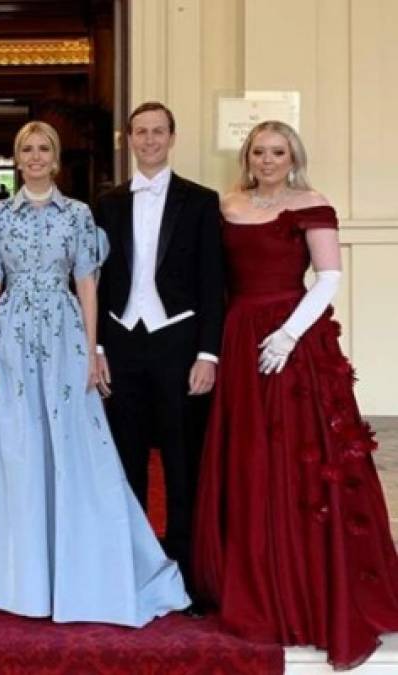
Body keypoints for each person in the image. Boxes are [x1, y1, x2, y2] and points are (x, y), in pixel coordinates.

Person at [0, 121, 189, 625]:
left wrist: (93, 349)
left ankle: (77, 571)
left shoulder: (78, 214)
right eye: (25, 149)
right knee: (14, 446)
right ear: (16, 157)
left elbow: (87, 284)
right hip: (9, 337)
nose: (34, 156)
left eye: (43, 149)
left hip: (63, 335)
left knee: (72, 444)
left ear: (55, 158)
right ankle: (14, 575)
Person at [193, 120, 398, 668]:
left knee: (298, 463)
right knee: (249, 459)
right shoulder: (228, 205)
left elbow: (328, 276)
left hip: (293, 340)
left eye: (277, 151)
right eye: (258, 151)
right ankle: (254, 582)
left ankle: (309, 586)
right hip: (238, 336)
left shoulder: (312, 202)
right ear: (248, 156)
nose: (267, 159)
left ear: (293, 156)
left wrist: (288, 334)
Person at [94, 102, 224, 607]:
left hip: (179, 345)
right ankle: (133, 569)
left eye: (158, 132)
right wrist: (98, 348)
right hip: (122, 343)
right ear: (128, 139)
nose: (149, 140)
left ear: (172, 137)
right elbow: (95, 281)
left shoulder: (200, 201)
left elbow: (214, 285)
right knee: (125, 465)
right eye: (140, 132)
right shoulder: (106, 203)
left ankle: (187, 576)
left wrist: (208, 355)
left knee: (181, 462)